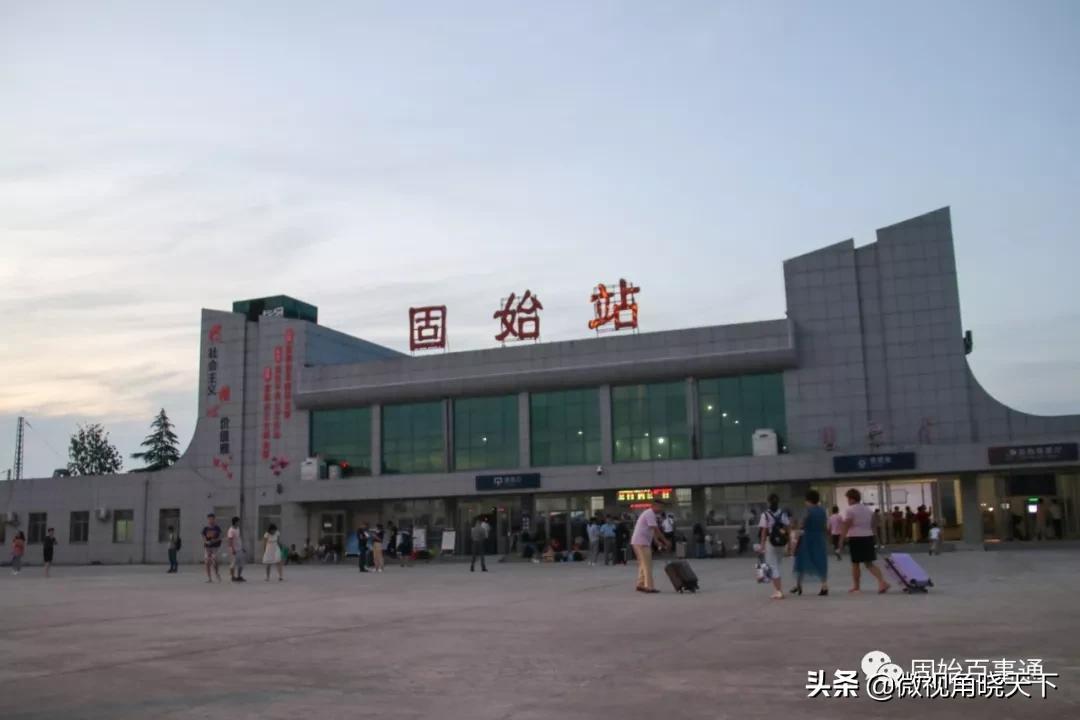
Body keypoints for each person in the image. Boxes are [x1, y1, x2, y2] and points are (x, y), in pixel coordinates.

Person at [840, 489, 890, 594]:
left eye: (848, 499)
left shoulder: (850, 510)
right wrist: (877, 539)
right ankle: (882, 582)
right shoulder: (868, 509)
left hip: (856, 538)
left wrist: (841, 539)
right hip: (868, 537)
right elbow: (873, 525)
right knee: (869, 563)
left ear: (852, 499)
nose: (847, 501)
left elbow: (846, 525)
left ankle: (856, 587)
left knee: (855, 564)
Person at [792, 489, 829, 596]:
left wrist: (796, 534)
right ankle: (824, 586)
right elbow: (825, 526)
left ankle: (798, 585)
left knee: (801, 561)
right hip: (819, 538)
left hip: (807, 539)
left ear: (808, 500)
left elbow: (802, 524)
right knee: (820, 561)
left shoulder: (808, 510)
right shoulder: (822, 511)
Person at [631, 498, 670, 594]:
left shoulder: (650, 514)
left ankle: (640, 584)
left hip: (639, 541)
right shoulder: (650, 513)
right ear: (654, 506)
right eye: (660, 507)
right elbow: (655, 529)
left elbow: (651, 531)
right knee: (647, 564)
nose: (661, 509)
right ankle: (649, 587)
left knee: (643, 564)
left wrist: (657, 542)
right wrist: (665, 541)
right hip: (641, 542)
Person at [758, 494, 790, 600]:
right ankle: (777, 590)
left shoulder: (765, 515)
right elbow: (788, 528)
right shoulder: (783, 514)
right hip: (782, 543)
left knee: (772, 566)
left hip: (771, 543)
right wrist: (789, 544)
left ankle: (778, 591)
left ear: (768, 502)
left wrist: (762, 545)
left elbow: (764, 531)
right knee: (777, 565)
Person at [202, 513, 223, 583]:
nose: (211, 520)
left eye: (212, 519)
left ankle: (217, 573)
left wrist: (215, 540)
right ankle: (209, 578)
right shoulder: (205, 528)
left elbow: (220, 537)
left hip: (215, 547)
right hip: (207, 547)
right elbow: (203, 537)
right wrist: (206, 542)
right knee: (207, 562)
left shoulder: (217, 528)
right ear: (208, 520)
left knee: (214, 560)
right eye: (209, 519)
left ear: (214, 519)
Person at [227, 516, 246, 582]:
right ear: (235, 522)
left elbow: (239, 538)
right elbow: (230, 541)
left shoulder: (238, 528)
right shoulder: (231, 530)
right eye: (238, 522)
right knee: (233, 563)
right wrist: (233, 549)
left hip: (239, 549)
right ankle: (232, 577)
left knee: (241, 564)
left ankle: (239, 576)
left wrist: (242, 547)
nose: (239, 523)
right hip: (234, 549)